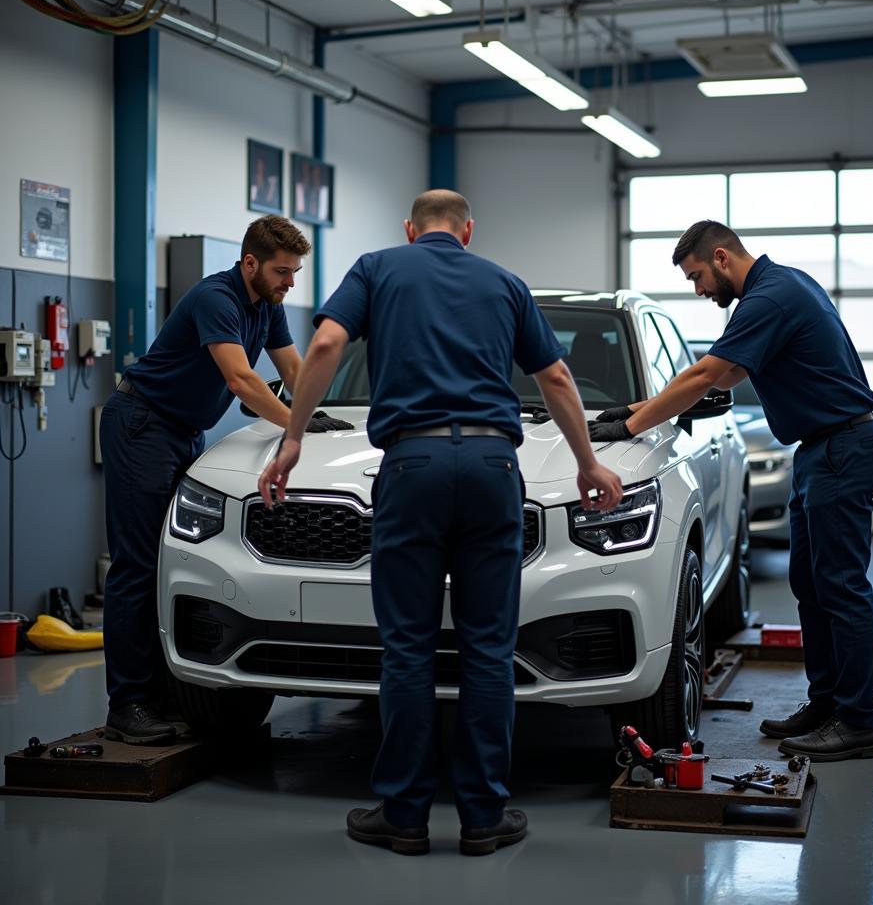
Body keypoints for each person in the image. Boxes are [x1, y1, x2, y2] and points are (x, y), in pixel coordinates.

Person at [258, 189, 623, 855]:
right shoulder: (506, 283)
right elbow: (560, 379)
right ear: (467, 232)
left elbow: (326, 345)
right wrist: (587, 464)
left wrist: (293, 440)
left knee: (409, 648)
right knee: (487, 648)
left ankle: (404, 816)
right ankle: (485, 817)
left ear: (410, 229)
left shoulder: (376, 268)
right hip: (492, 467)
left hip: (410, 466)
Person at [588, 219, 873, 763]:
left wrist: (631, 427)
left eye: (698, 276)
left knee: (841, 586)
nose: (699, 289)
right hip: (823, 449)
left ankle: (859, 722)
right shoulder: (782, 286)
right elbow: (722, 379)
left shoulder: (768, 298)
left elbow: (707, 374)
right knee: (812, 584)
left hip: (843, 446)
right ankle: (826, 704)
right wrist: (635, 409)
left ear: (722, 258)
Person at [101, 215, 347, 745]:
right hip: (142, 424)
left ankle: (162, 693)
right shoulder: (218, 298)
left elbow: (295, 371)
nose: (290, 282)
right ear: (250, 263)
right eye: (283, 271)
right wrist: (299, 425)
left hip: (183, 431)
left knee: (169, 561)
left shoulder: (268, 306)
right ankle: (127, 705)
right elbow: (241, 378)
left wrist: (324, 417)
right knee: (137, 565)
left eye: (296, 272)